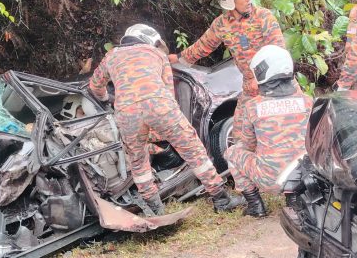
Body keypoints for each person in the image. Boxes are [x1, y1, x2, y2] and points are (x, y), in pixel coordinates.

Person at [88, 24, 243, 216]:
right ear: (148, 39)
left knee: (138, 162)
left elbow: (95, 87)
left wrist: (106, 100)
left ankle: (156, 210)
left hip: (127, 112)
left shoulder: (111, 56)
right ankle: (221, 199)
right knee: (193, 150)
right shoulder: (157, 54)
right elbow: (169, 91)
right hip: (159, 105)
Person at [169, 0, 285, 144]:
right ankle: (244, 168)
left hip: (273, 85)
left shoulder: (264, 17)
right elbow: (202, 47)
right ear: (230, 0)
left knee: (278, 132)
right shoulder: (221, 25)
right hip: (249, 88)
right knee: (239, 136)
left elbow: (279, 51)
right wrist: (178, 59)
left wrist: (261, 77)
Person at [224, 45, 312, 218]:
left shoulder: (252, 106)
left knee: (232, 153)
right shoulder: (308, 102)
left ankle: (255, 205)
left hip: (271, 180)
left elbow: (248, 145)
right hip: (307, 175)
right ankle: (297, 198)